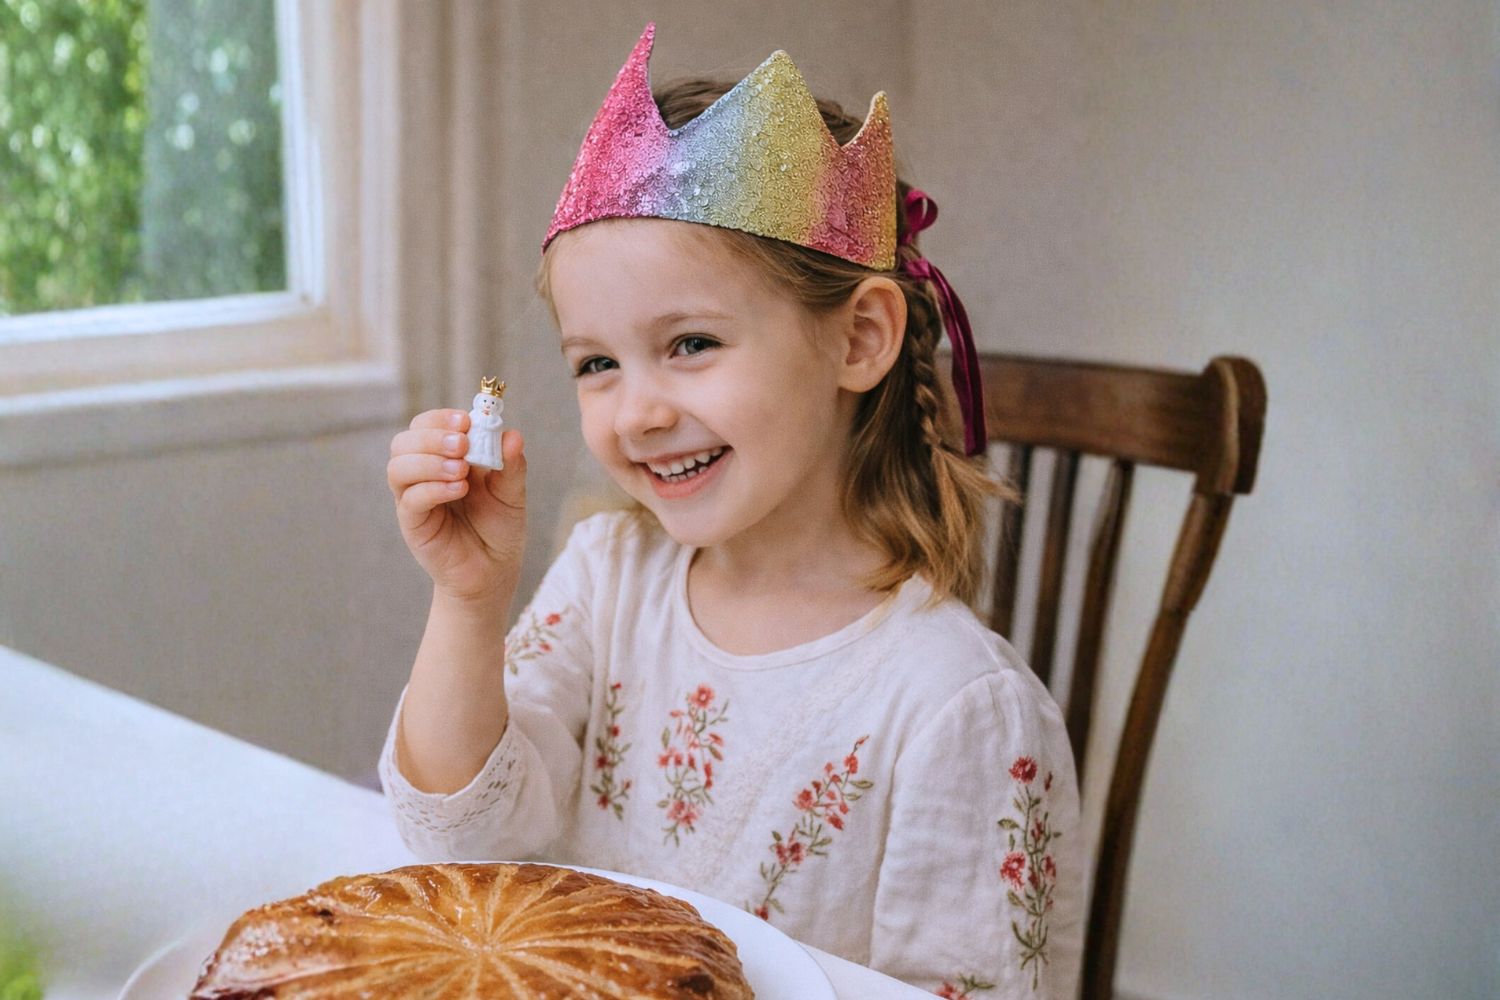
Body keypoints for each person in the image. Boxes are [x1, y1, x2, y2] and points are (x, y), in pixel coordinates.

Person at [379, 24, 1082, 997]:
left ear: (860, 339)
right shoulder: (605, 579)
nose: (640, 410)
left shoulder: (959, 708)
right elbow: (459, 837)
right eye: (596, 363)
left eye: (693, 342)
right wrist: (466, 601)